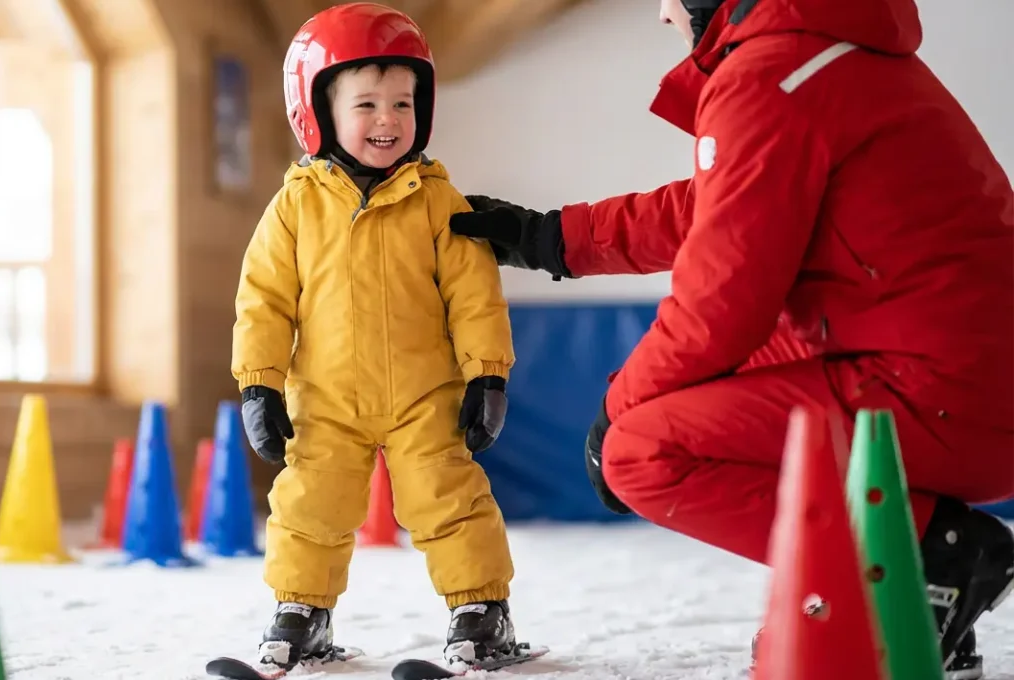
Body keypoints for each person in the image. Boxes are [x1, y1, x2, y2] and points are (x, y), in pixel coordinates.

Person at [449, 0, 1014, 676]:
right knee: (656, 410)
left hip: (944, 390)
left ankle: (925, 566)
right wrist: (552, 239)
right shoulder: (819, 53)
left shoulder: (773, 72)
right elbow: (722, 204)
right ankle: (930, 577)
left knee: (639, 452)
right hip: (951, 371)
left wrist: (613, 415)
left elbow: (723, 304)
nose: (663, 15)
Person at [231, 2, 520, 672]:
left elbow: (474, 294)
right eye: (366, 104)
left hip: (425, 395)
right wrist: (258, 385)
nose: (387, 119)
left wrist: (487, 373)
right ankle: (302, 609)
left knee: (449, 498)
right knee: (309, 503)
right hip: (326, 397)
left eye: (402, 104)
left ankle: (482, 610)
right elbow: (264, 302)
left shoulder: (439, 201)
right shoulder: (294, 206)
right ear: (318, 112)